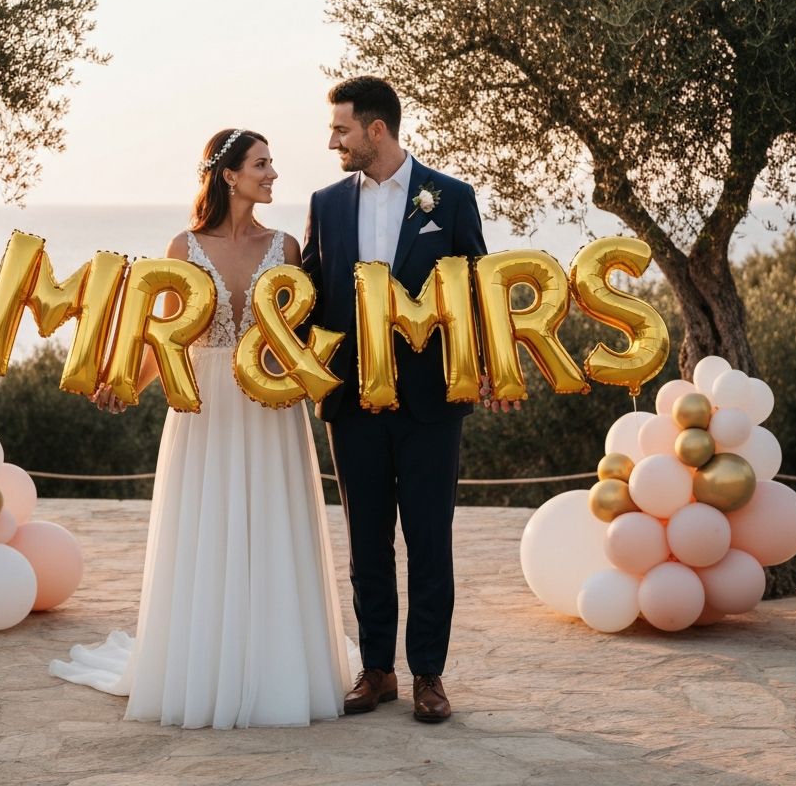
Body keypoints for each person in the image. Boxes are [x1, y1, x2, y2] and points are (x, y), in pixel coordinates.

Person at [50, 129, 355, 729]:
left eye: (271, 164)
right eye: (262, 164)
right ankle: (205, 666)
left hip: (271, 409)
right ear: (230, 175)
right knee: (209, 527)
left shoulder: (288, 246)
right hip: (205, 408)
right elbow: (170, 337)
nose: (272, 174)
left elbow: (296, 338)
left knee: (272, 527)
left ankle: (278, 667)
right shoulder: (183, 248)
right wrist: (129, 384)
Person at [302, 76, 497, 723]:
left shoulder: (453, 198)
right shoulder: (326, 204)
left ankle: (430, 677)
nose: (334, 141)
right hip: (353, 406)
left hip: (432, 406)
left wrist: (491, 367)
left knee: (429, 540)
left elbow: (476, 291)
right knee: (366, 542)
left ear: (376, 131)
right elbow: (307, 297)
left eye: (342, 130)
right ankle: (378, 669)